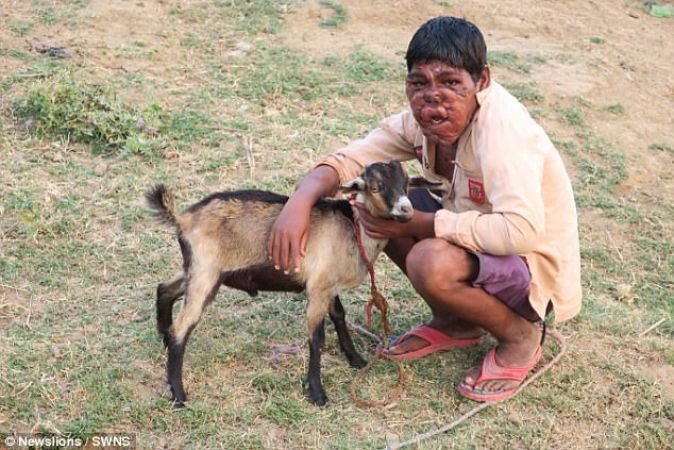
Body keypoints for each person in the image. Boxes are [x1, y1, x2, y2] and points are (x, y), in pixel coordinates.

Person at [267, 16, 581, 402]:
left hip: (527, 271)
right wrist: (300, 201)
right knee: (377, 205)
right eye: (419, 84)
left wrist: (422, 224)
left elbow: (521, 231)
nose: (433, 98)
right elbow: (355, 157)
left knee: (429, 260)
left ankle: (520, 337)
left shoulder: (503, 134)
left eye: (450, 82)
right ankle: (456, 324)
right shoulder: (422, 120)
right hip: (478, 245)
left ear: (481, 80)